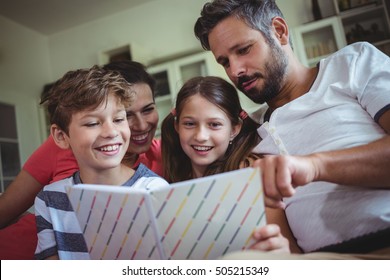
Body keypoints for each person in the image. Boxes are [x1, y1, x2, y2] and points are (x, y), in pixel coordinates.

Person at [194, 0, 390, 257]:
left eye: (243, 50)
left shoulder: (352, 65)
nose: (235, 70)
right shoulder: (247, 131)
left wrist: (314, 166)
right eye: (224, 62)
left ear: (279, 31)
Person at [0, 60, 162, 231]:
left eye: (148, 109)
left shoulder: (160, 157)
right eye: (128, 115)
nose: (142, 125)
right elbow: (8, 208)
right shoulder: (62, 145)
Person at [34, 65, 168, 260]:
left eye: (119, 119)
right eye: (92, 123)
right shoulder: (49, 199)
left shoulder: (155, 190)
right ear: (61, 136)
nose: (111, 132)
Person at [161, 76, 298, 254]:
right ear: (177, 126)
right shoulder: (176, 179)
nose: (201, 135)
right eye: (189, 124)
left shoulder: (251, 174)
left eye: (214, 125)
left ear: (234, 129)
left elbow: (291, 252)